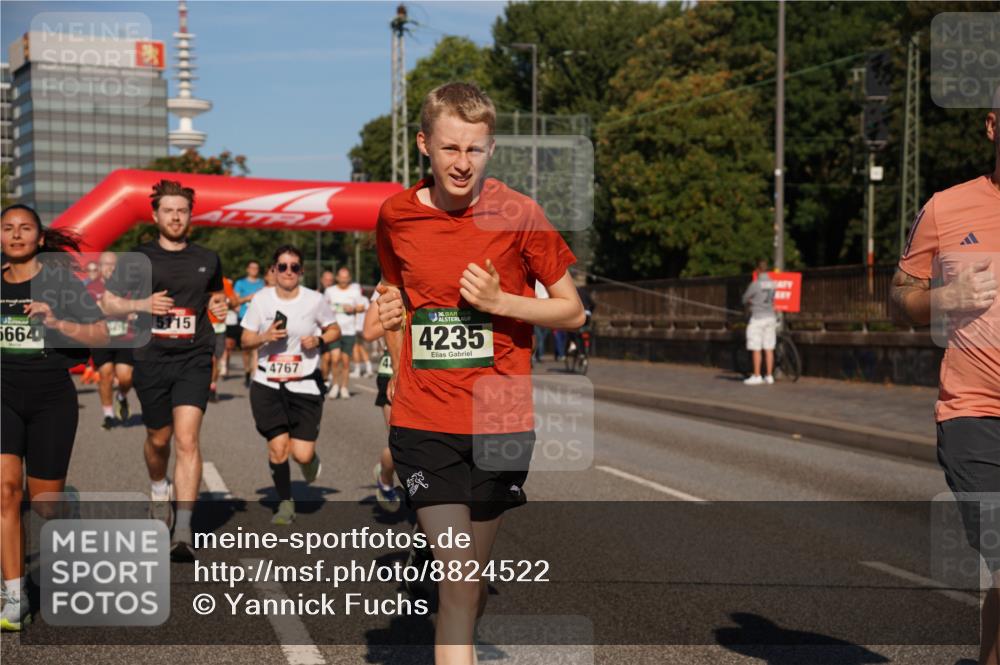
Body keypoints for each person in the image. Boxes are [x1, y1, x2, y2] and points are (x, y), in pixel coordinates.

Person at [375, 82, 584, 664]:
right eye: (449, 149)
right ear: (424, 145)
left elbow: (573, 308)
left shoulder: (520, 214)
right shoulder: (395, 217)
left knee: (467, 588)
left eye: (474, 150)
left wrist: (502, 301)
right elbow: (396, 292)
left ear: (491, 149)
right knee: (459, 575)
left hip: (500, 419)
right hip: (424, 419)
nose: (461, 163)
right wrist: (393, 336)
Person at [890, 90, 1000, 665]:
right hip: (975, 414)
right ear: (992, 126)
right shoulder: (947, 207)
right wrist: (948, 295)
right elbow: (896, 300)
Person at [101, 179, 228, 562]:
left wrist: (220, 310)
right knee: (159, 439)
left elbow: (216, 298)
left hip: (193, 357)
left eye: (182, 211)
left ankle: (183, 530)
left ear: (191, 216)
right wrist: (142, 303)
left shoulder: (207, 257)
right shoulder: (137, 258)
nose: (176, 216)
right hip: (150, 358)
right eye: (169, 210)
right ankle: (159, 485)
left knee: (187, 441)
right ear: (155, 215)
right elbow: (108, 303)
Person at [1, 204, 109, 631]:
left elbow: (102, 333)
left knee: (44, 505)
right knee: (7, 492)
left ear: (40, 240)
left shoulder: (62, 284)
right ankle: (14, 595)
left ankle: (69, 506)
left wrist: (56, 320)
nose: (15, 234)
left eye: (25, 228)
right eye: (7, 228)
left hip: (50, 398)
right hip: (3, 395)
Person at [241, 245, 340, 525]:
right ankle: (285, 502)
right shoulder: (261, 300)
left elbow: (334, 329)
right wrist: (265, 336)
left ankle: (309, 460)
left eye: (294, 267)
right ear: (273, 270)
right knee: (278, 449)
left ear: (301, 271)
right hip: (267, 383)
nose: (288, 272)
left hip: (304, 383)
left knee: (301, 453)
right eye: (282, 266)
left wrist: (319, 340)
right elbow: (245, 340)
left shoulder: (315, 300)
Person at [362, 286, 401, 512]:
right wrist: (404, 317)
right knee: (400, 442)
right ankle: (386, 476)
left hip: (431, 372)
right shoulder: (390, 283)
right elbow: (368, 332)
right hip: (392, 373)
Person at [88, 251, 135, 429]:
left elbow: (133, 308)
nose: (110, 268)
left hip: (125, 337)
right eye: (106, 264)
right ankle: (108, 415)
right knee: (105, 375)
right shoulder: (91, 288)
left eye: (113, 265)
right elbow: (90, 312)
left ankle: (121, 397)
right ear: (99, 268)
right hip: (102, 339)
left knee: (125, 377)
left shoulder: (128, 287)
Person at [323, 267, 363, 399]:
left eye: (346, 277)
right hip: (334, 330)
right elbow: (322, 307)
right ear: (337, 278)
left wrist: (353, 308)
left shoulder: (355, 291)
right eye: (342, 277)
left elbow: (362, 307)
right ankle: (335, 385)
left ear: (349, 278)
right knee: (335, 359)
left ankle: (344, 387)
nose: (344, 280)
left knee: (346, 361)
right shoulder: (330, 291)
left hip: (349, 330)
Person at [741, 259, 777, 385]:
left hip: (757, 317)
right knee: (769, 348)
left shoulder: (755, 284)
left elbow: (745, 298)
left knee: (756, 347)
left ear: (757, 270)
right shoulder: (773, 283)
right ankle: (769, 375)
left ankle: (757, 375)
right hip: (770, 316)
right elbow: (772, 299)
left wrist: (751, 302)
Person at [234, 260, 265, 387]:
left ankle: (255, 375)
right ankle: (247, 371)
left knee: (256, 348)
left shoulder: (262, 283)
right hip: (244, 318)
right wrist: (248, 298)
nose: (254, 270)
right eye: (252, 268)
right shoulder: (240, 283)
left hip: (260, 319)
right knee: (246, 348)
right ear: (247, 269)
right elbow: (235, 302)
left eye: (256, 268)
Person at [208, 275, 238, 402]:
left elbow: (234, 302)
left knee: (215, 359)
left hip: (219, 327)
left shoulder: (225, 282)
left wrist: (227, 301)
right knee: (207, 359)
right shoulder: (201, 279)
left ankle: (212, 387)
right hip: (202, 327)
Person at [351, 286, 374, 378]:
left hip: (355, 327)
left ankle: (357, 370)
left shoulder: (352, 300)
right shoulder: (364, 299)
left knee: (355, 348)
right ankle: (369, 368)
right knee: (361, 347)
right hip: (363, 327)